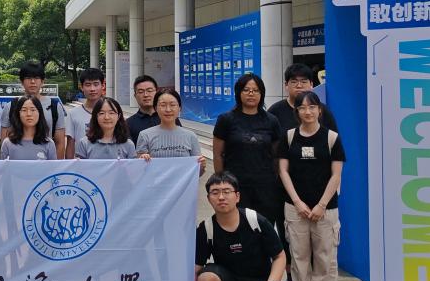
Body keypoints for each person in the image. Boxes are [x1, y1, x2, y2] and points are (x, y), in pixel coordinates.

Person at [278, 90, 344, 281]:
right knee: (299, 255)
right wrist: (297, 202)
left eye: (312, 107)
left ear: (319, 110)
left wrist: (321, 205)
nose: (307, 112)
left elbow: (336, 175)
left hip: (325, 209)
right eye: (302, 108)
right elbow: (283, 171)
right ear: (297, 112)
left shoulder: (331, 138)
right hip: (295, 208)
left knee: (325, 255)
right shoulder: (289, 137)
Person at [195, 172, 288, 281]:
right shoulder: (206, 228)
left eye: (226, 191)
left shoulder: (255, 220)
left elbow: (280, 257)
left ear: (237, 196)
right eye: (215, 192)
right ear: (208, 199)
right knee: (205, 278)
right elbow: (195, 268)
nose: (221, 197)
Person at [212, 74, 284, 237]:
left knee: (264, 230)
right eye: (246, 90)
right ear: (238, 93)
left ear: (261, 94)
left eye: (256, 90)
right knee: (239, 231)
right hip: (236, 186)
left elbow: (277, 155)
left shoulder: (271, 120)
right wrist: (222, 183)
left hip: (265, 187)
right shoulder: (226, 119)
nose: (251, 94)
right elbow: (218, 154)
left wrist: (276, 179)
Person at [1, 62, 68, 158]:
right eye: (28, 78)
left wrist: (56, 166)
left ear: (42, 81)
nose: (32, 82)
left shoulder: (55, 107)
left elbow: (60, 143)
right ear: (21, 82)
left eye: (36, 78)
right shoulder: (11, 106)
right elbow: (4, 141)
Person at [136, 87, 206, 174]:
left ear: (179, 108)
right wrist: (141, 161)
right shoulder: (145, 135)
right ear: (156, 108)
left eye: (172, 105)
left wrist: (201, 166)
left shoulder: (191, 136)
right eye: (163, 105)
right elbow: (139, 172)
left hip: (182, 183)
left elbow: (196, 174)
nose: (168, 109)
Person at [267, 63, 338, 134]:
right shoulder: (275, 111)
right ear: (286, 85)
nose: (299, 86)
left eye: (304, 82)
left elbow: (333, 138)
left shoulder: (322, 110)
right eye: (294, 82)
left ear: (311, 84)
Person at [1, 95, 57, 161]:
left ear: (39, 113)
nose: (29, 114)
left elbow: (53, 167)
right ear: (18, 114)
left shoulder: (48, 144)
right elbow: (3, 166)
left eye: (33, 110)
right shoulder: (7, 143)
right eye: (24, 110)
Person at [65, 67, 105, 160]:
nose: (92, 89)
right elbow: (70, 144)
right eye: (88, 85)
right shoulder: (73, 114)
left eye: (96, 84)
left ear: (103, 86)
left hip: (107, 163)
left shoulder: (111, 112)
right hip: (81, 164)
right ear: (81, 87)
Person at [126, 75, 160, 144]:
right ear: (135, 96)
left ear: (157, 93)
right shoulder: (128, 124)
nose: (146, 95)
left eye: (149, 90)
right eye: (141, 92)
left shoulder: (169, 118)